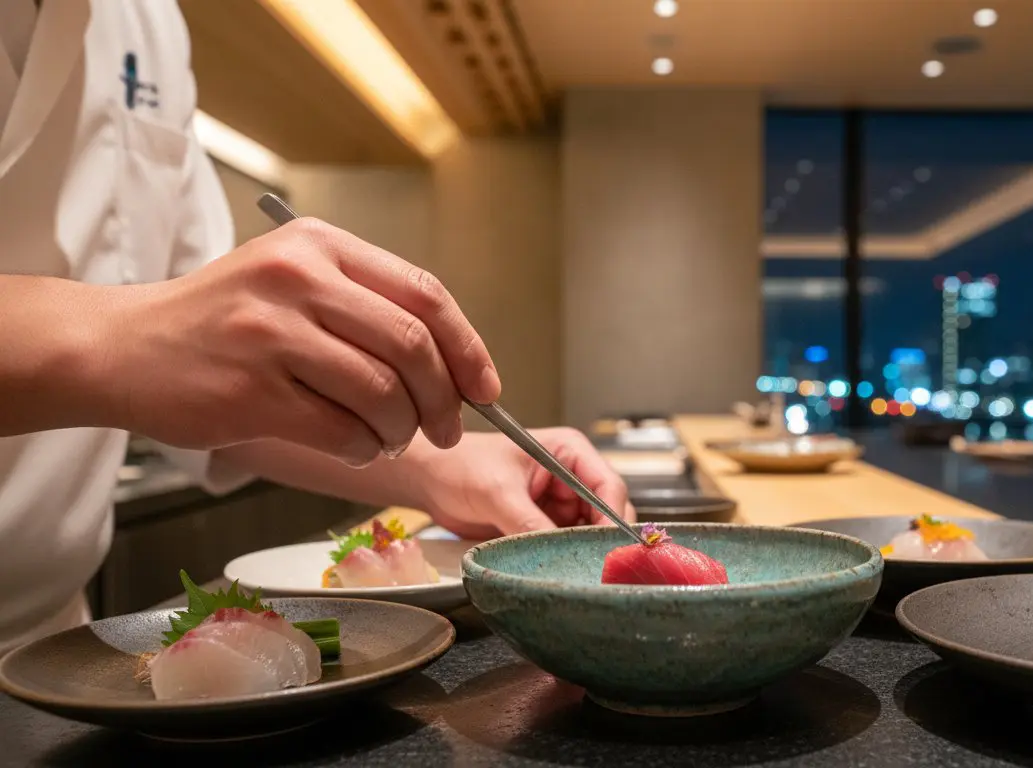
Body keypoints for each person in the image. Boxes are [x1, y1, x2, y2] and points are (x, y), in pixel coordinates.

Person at [0, 0, 632, 652]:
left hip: (51, 650)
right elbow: (148, 349)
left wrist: (445, 465)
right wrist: (120, 339)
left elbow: (215, 388)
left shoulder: (147, 20)